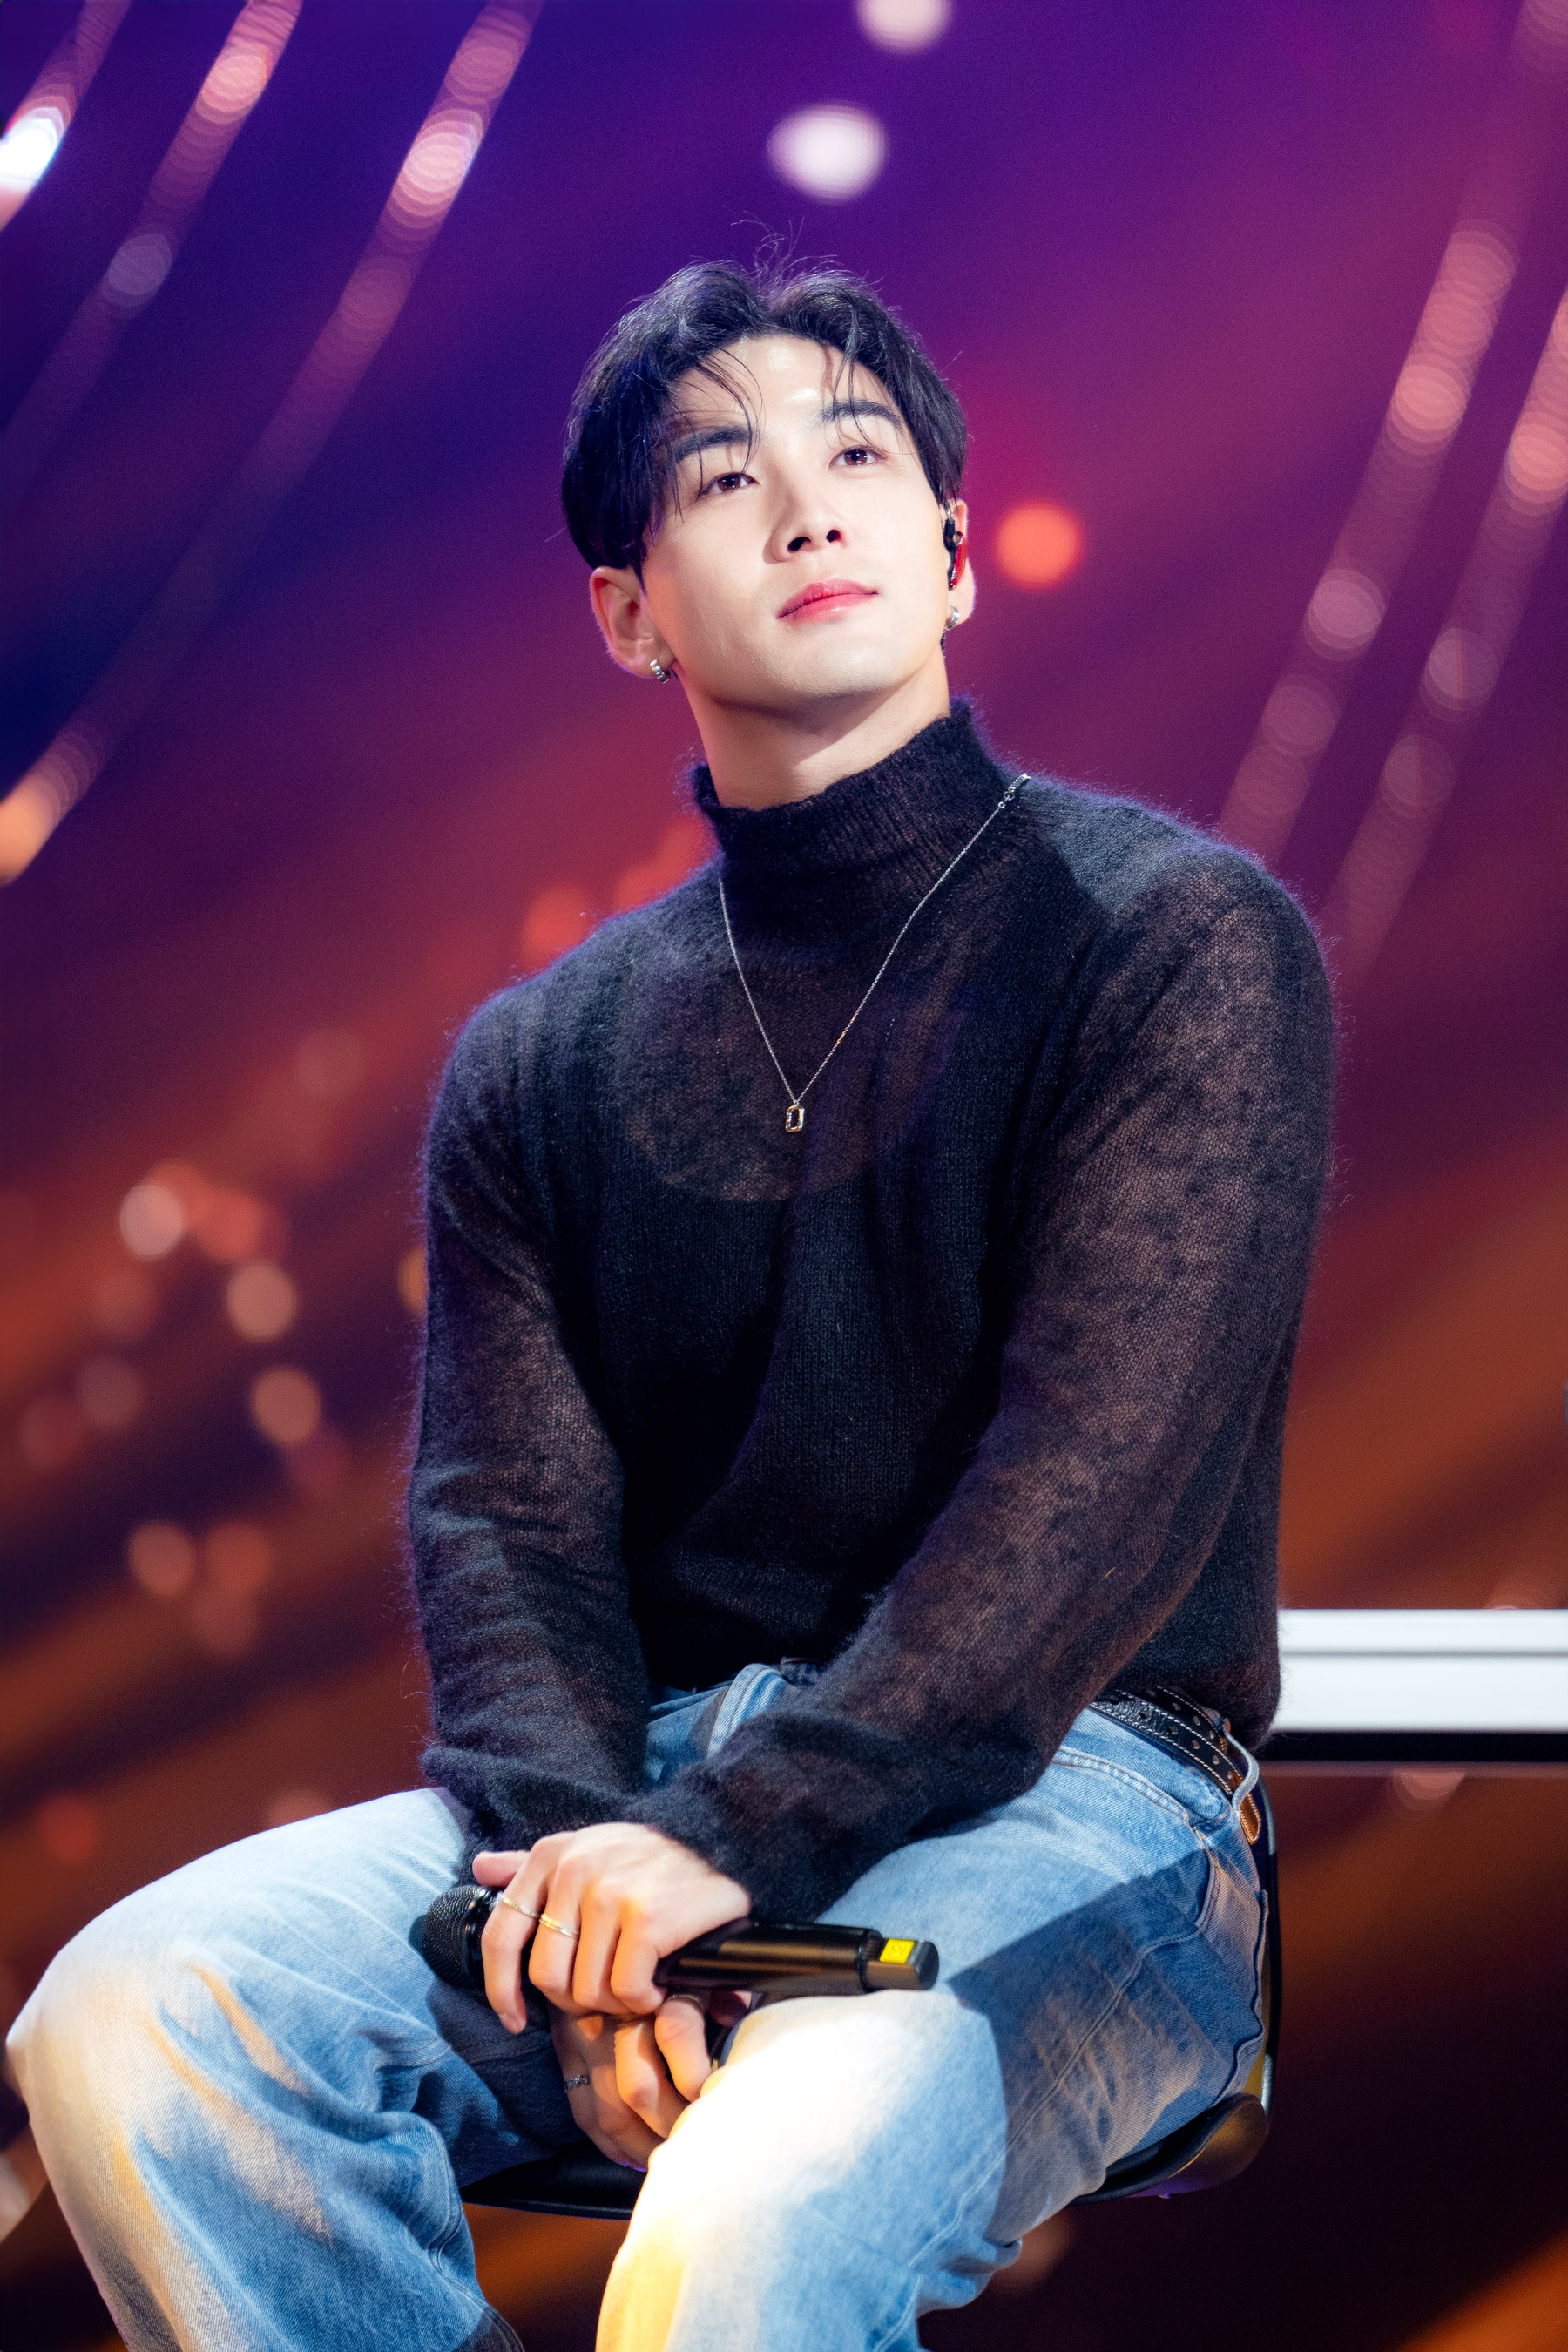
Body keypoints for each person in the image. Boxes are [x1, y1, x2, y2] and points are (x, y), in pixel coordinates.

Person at [9, 260, 1334, 2352]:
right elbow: (503, 1536)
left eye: (859, 455)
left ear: (952, 554)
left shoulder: (1177, 945)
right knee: (140, 2016)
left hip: (1090, 1805)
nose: (809, 510)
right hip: (648, 1802)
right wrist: (595, 1898)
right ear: (630, 613)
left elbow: (1090, 1496)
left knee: (758, 2197)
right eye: (726, 478)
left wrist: (724, 1852)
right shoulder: (540, 1059)